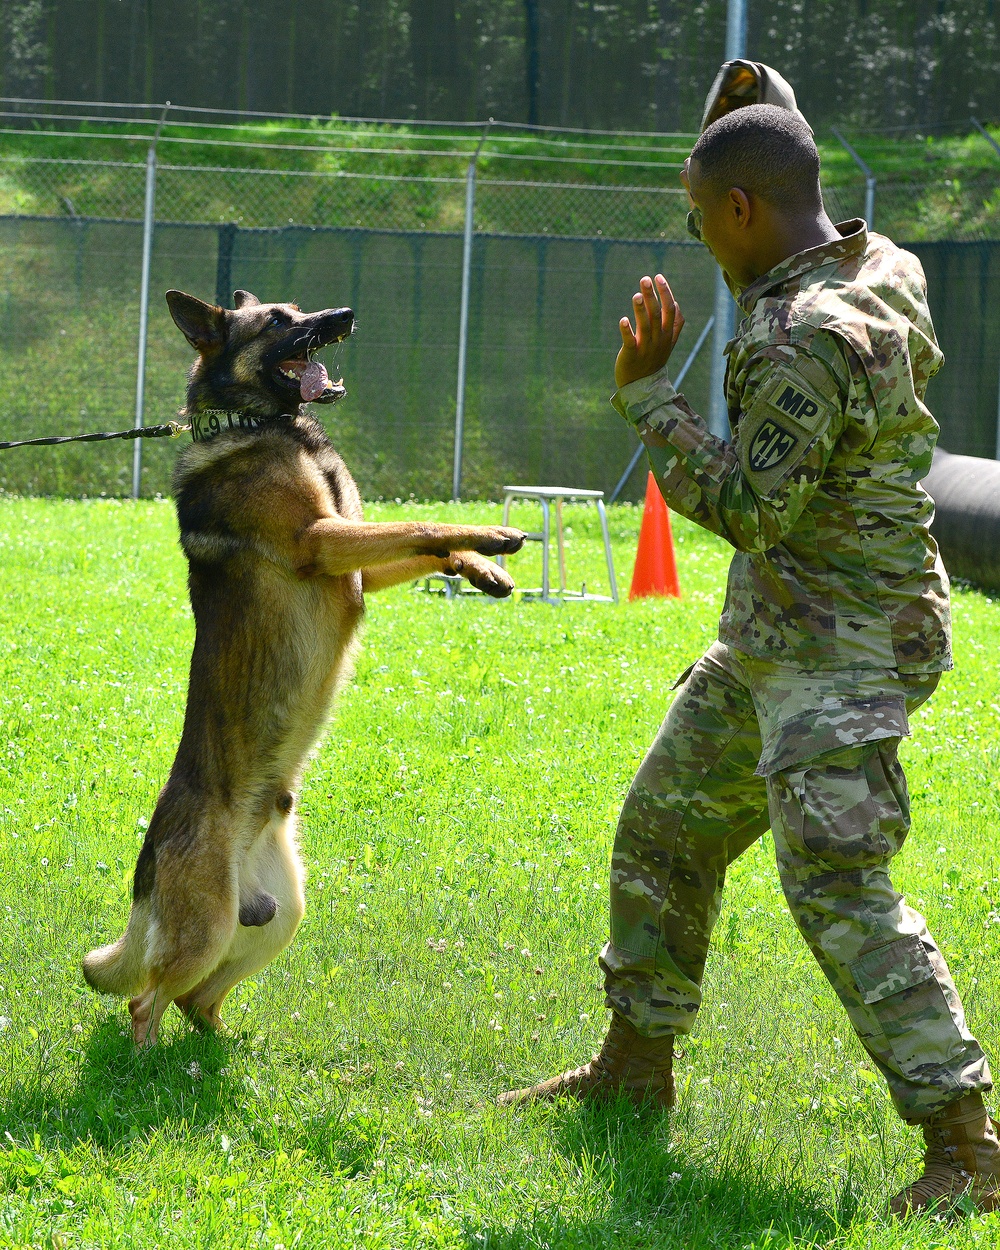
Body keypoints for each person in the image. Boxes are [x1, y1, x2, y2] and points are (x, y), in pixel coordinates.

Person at [498, 102, 1000, 1219]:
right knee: (665, 825)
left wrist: (646, 395)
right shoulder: (882, 263)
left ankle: (968, 1143)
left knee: (836, 885)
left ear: (740, 210)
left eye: (698, 223)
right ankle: (634, 1069)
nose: (699, 246)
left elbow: (749, 506)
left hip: (844, 647)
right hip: (782, 632)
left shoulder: (799, 336)